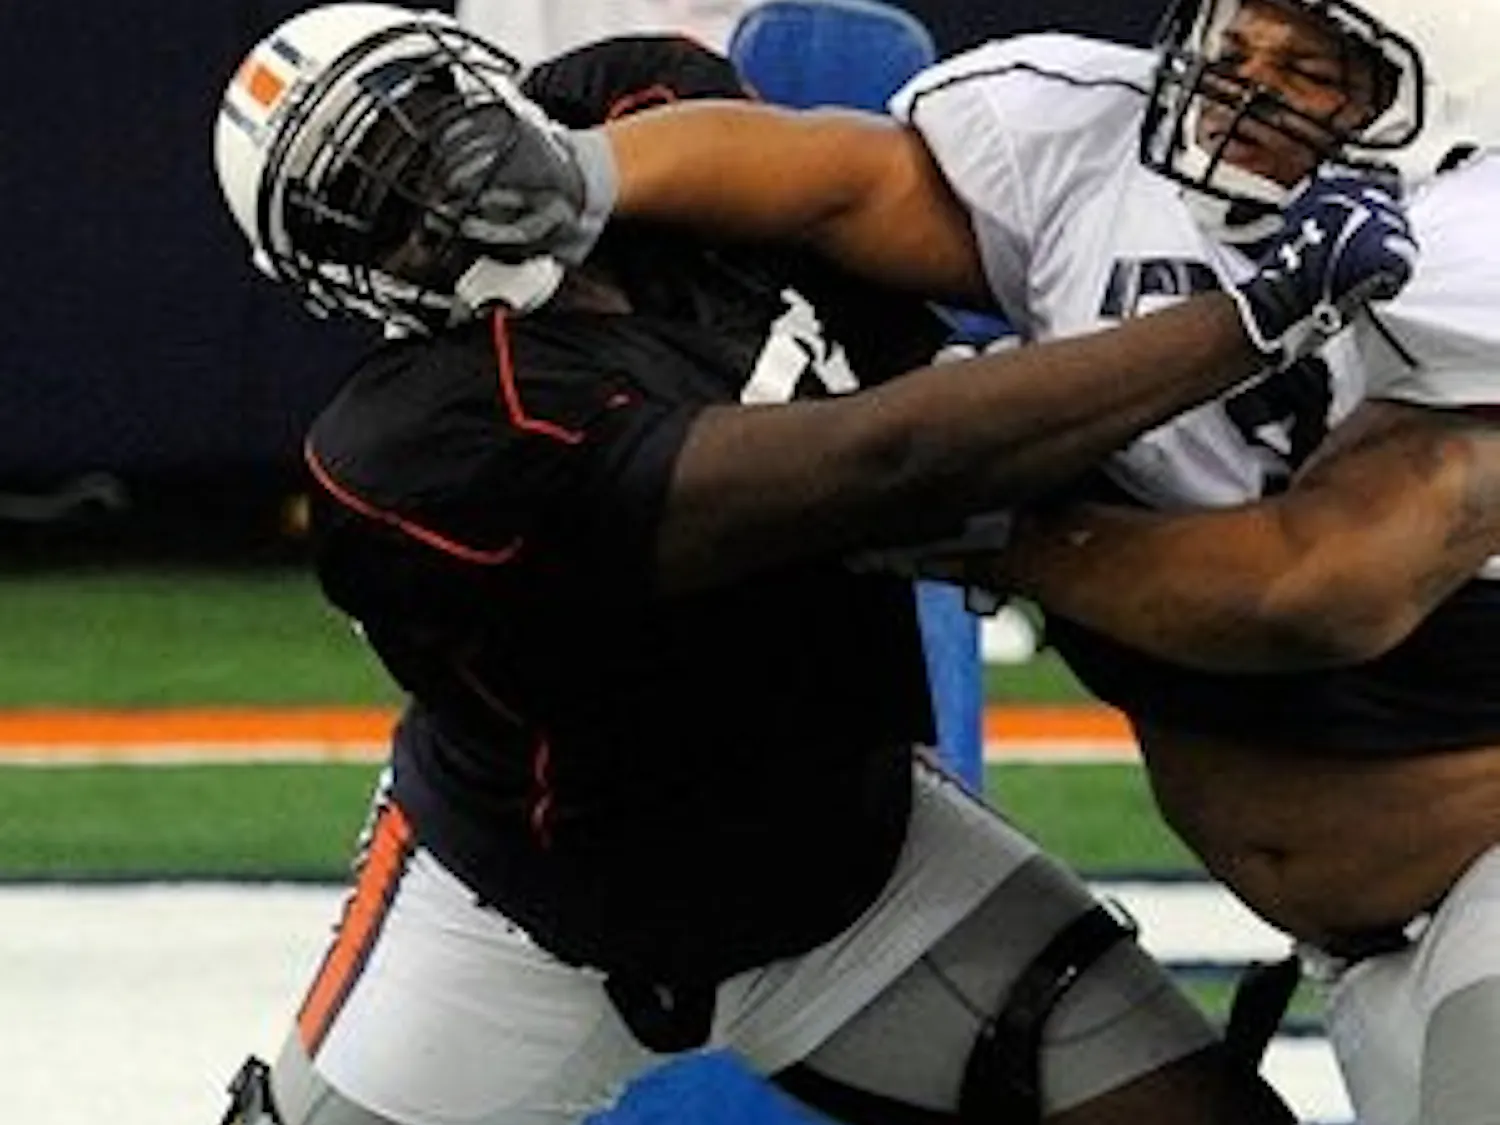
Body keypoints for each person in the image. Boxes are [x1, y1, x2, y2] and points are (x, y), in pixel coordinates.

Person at [206, 7, 1412, 1125]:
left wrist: (595, 179)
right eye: (378, 206)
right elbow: (878, 461)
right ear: (335, 275)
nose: (445, 195)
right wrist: (1254, 313)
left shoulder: (638, 116)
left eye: (436, 135)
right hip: (520, 931)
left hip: (865, 874)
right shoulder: (415, 448)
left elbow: (826, 203)